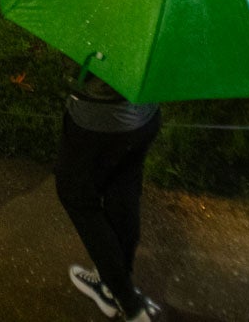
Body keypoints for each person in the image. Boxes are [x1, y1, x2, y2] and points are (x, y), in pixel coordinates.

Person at [57, 68, 163, 322]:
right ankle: (114, 281)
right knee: (123, 190)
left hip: (95, 120)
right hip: (144, 114)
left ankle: (128, 302)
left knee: (76, 197)